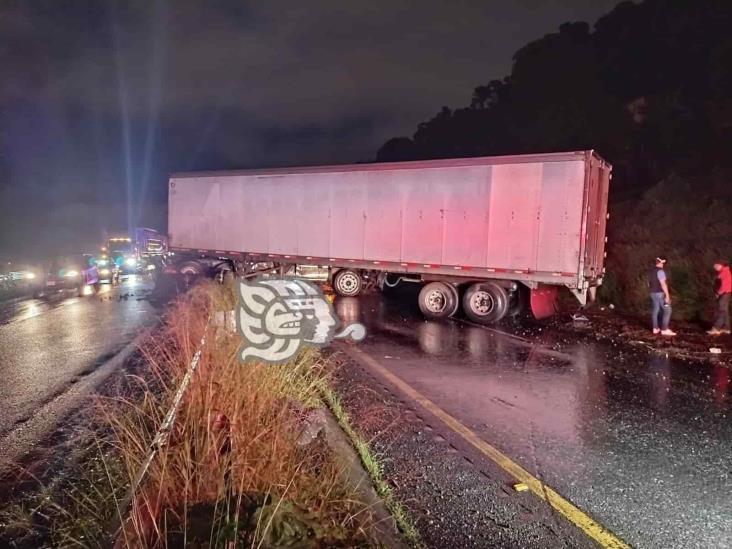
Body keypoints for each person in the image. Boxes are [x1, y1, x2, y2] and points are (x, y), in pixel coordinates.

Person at [649, 256, 676, 336]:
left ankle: (655, 328)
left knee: (655, 309)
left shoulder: (651, 271)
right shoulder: (660, 271)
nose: (663, 264)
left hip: (652, 293)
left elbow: (648, 283)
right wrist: (667, 295)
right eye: (662, 262)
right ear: (659, 262)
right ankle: (664, 329)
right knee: (668, 310)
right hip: (660, 293)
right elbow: (663, 284)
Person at [708, 260, 731, 335]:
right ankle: (726, 328)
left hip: (725, 293)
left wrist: (719, 292)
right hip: (726, 293)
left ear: (721, 265)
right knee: (725, 310)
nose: (715, 268)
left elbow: (725, 285)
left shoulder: (724, 272)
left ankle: (716, 328)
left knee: (721, 310)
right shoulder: (724, 272)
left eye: (716, 266)